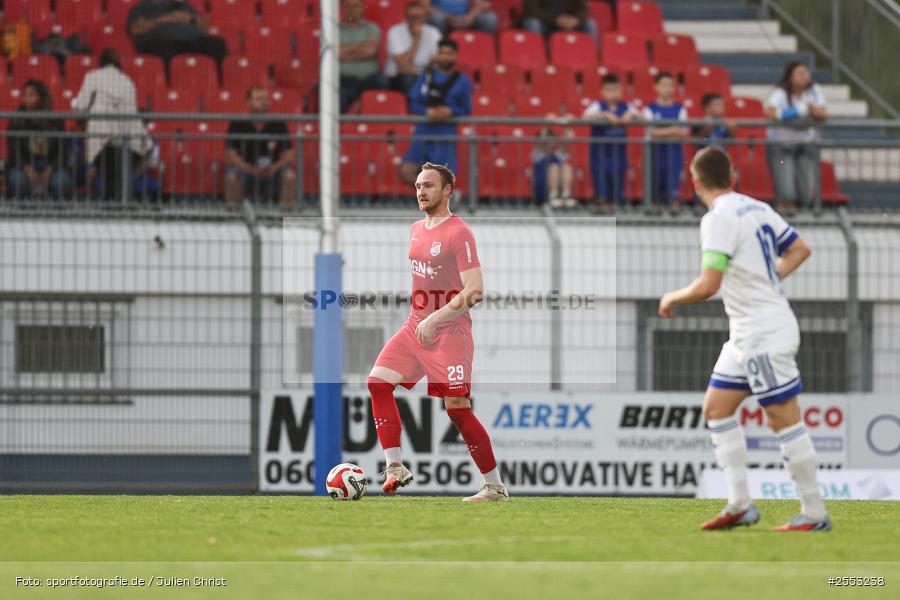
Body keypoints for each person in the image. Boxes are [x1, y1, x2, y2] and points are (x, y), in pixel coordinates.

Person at [659, 146, 830, 533]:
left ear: (696, 181)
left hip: (763, 333)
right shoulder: (756, 207)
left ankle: (815, 512)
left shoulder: (717, 217)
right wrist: (767, 280)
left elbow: (708, 285)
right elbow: (801, 248)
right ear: (732, 177)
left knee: (782, 417)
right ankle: (739, 504)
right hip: (746, 334)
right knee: (717, 409)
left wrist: (672, 298)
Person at [367, 162, 508, 502]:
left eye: (429, 185)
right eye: (417, 185)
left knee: (458, 409)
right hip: (415, 327)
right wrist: (422, 318)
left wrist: (436, 318)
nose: (421, 191)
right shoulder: (416, 228)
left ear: (447, 191)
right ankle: (395, 467)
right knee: (377, 382)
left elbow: (474, 290)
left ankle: (494, 487)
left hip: (450, 332)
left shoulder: (459, 233)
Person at [72, 49, 153, 200]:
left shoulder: (93, 77)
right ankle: (122, 210)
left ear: (101, 63)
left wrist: (76, 107)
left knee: (109, 176)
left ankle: (111, 209)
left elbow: (80, 106)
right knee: (122, 178)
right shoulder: (128, 80)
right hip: (129, 137)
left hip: (103, 137)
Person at [400, 38, 472, 186]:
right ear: (437, 55)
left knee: (442, 180)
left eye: (449, 53)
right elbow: (412, 103)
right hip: (423, 133)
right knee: (406, 171)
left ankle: (437, 202)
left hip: (445, 136)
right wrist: (428, 111)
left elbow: (466, 109)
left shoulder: (463, 80)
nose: (445, 57)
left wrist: (450, 111)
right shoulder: (426, 76)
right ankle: (435, 199)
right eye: (442, 53)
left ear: (455, 56)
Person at [765, 61, 827, 214]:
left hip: (805, 145)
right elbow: (771, 113)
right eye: (799, 73)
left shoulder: (814, 91)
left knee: (806, 189)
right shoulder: (780, 92)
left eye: (806, 72)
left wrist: (810, 111)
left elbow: (823, 114)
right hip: (780, 146)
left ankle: (803, 211)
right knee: (785, 187)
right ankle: (785, 214)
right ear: (790, 77)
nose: (804, 76)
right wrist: (792, 112)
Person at [224, 86, 296, 205]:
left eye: (266, 99)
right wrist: (250, 169)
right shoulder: (237, 123)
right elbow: (229, 156)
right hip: (245, 170)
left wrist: (274, 167)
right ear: (248, 102)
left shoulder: (279, 124)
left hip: (272, 170)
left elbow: (289, 155)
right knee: (231, 176)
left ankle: (284, 215)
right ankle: (234, 216)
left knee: (289, 176)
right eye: (258, 99)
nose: (264, 102)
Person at [5, 79, 72, 200]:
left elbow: (62, 150)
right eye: (25, 95)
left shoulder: (55, 121)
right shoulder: (17, 120)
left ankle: (55, 212)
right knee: (18, 181)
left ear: (41, 98)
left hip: (51, 164)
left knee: (61, 182)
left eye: (31, 95)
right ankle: (24, 210)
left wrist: (51, 168)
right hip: (24, 164)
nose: (26, 98)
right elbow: (13, 149)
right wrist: (26, 167)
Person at [583, 73, 635, 211]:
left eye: (617, 90)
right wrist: (605, 115)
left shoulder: (627, 106)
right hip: (600, 155)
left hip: (619, 154)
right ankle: (601, 206)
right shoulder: (597, 106)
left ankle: (615, 208)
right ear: (603, 91)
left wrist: (631, 114)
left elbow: (644, 117)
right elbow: (584, 117)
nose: (614, 94)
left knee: (617, 182)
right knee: (601, 182)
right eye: (610, 90)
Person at [126, 0, 228, 65]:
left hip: (192, 43)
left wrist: (190, 19)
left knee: (217, 44)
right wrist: (166, 19)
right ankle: (169, 87)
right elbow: (136, 29)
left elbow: (206, 30)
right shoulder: (142, 7)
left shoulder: (185, 6)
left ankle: (217, 85)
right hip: (161, 43)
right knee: (164, 48)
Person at [642, 71, 688, 211]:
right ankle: (654, 209)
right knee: (655, 184)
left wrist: (661, 131)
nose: (667, 88)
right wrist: (673, 129)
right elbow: (650, 132)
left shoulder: (680, 109)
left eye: (670, 85)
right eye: (663, 85)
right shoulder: (648, 109)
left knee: (673, 184)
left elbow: (683, 132)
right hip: (655, 154)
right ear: (656, 87)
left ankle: (673, 207)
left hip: (674, 154)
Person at [339, 0, 388, 113]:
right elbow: (336, 53)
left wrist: (345, 50)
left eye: (356, 5)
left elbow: (370, 51)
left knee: (383, 82)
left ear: (362, 7)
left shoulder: (372, 28)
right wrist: (362, 45)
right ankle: (340, 128)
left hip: (369, 78)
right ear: (342, 8)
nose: (352, 9)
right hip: (343, 78)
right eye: (348, 6)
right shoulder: (334, 29)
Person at [385, 1, 443, 93]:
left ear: (425, 17)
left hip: (423, 75)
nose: (416, 20)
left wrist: (422, 72)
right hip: (397, 77)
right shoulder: (395, 31)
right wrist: (416, 39)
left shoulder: (433, 32)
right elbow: (403, 66)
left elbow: (437, 62)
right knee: (407, 79)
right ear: (406, 17)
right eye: (413, 17)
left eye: (419, 17)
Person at [532, 117, 574, 207]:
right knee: (554, 167)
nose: (551, 143)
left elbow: (566, 142)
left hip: (559, 188)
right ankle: (553, 196)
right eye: (549, 140)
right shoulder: (538, 154)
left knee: (567, 167)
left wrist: (567, 126)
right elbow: (541, 140)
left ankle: (565, 195)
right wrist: (546, 124)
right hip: (543, 190)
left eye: (553, 140)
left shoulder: (558, 154)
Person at [521, 0, 598, 42]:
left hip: (569, 23)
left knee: (590, 24)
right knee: (532, 23)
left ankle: (594, 57)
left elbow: (584, 9)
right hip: (545, 23)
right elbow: (530, 9)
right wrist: (555, 20)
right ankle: (537, 55)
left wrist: (576, 20)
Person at [424, 0, 497, 35]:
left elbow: (481, 4)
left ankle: (482, 46)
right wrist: (443, 15)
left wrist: (470, 16)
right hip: (444, 18)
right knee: (436, 18)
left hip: (464, 17)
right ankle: (443, 47)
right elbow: (424, 5)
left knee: (490, 18)